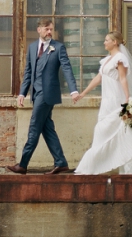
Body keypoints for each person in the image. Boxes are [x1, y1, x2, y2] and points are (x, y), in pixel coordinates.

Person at [72, 31, 132, 175]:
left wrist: (127, 99)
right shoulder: (106, 60)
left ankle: (130, 167)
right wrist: (83, 94)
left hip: (116, 99)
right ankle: (95, 166)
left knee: (123, 132)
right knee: (102, 130)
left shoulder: (120, 58)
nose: (104, 42)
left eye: (106, 40)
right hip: (106, 101)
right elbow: (98, 78)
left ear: (115, 42)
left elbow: (123, 78)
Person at [5, 18, 79, 174]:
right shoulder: (32, 48)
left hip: (47, 94)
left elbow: (67, 69)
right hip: (35, 93)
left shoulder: (58, 48)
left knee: (34, 127)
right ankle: (61, 162)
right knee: (47, 128)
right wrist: (22, 93)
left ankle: (23, 164)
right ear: (39, 30)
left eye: (51, 29)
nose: (49, 32)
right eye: (46, 29)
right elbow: (28, 73)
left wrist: (73, 90)